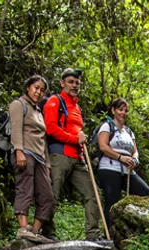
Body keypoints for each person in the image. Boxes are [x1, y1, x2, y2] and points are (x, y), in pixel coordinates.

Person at [43, 68, 102, 241]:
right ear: (62, 83)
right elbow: (51, 128)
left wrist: (79, 144)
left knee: (93, 193)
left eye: (77, 82)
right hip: (59, 154)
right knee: (52, 194)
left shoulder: (77, 106)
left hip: (78, 157)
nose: (74, 85)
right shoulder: (55, 101)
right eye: (70, 82)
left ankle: (93, 234)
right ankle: (48, 234)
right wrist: (74, 139)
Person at [8, 75, 55, 244]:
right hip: (25, 152)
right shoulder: (18, 105)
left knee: (47, 196)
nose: (39, 92)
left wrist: (47, 164)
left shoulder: (38, 111)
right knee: (25, 189)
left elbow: (43, 139)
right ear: (28, 87)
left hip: (40, 158)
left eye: (42, 90)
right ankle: (23, 229)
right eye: (36, 87)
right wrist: (19, 151)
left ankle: (34, 231)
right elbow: (16, 129)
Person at [96, 98, 149, 211]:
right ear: (113, 110)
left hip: (127, 170)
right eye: (120, 109)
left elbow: (135, 151)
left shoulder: (129, 132)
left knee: (146, 193)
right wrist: (120, 157)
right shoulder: (107, 126)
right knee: (112, 201)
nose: (123, 113)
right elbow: (103, 146)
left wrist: (135, 160)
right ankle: (109, 228)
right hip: (109, 167)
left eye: (126, 110)